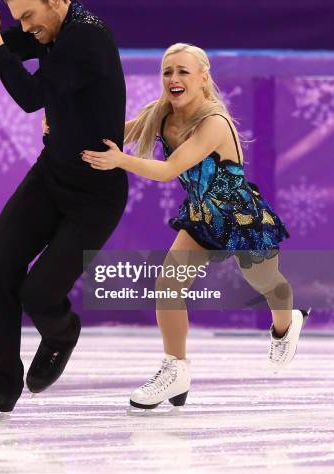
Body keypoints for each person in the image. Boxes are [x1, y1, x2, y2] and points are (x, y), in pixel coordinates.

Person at [78, 42, 310, 410]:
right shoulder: (160, 113)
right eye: (168, 72)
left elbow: (169, 171)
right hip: (202, 219)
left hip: (241, 220)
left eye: (183, 71)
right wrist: (65, 128)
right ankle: (175, 369)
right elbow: (121, 131)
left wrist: (118, 161)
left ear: (203, 78)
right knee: (168, 285)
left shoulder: (214, 122)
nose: (174, 78)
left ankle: (287, 322)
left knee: (267, 284)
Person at [0, 0, 128, 415]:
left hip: (96, 194)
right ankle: (1, 382)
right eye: (16, 19)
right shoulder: (46, 28)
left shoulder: (85, 38)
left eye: (27, 16)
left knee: (39, 293)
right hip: (53, 175)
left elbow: (29, 98)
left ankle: (63, 331)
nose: (24, 27)